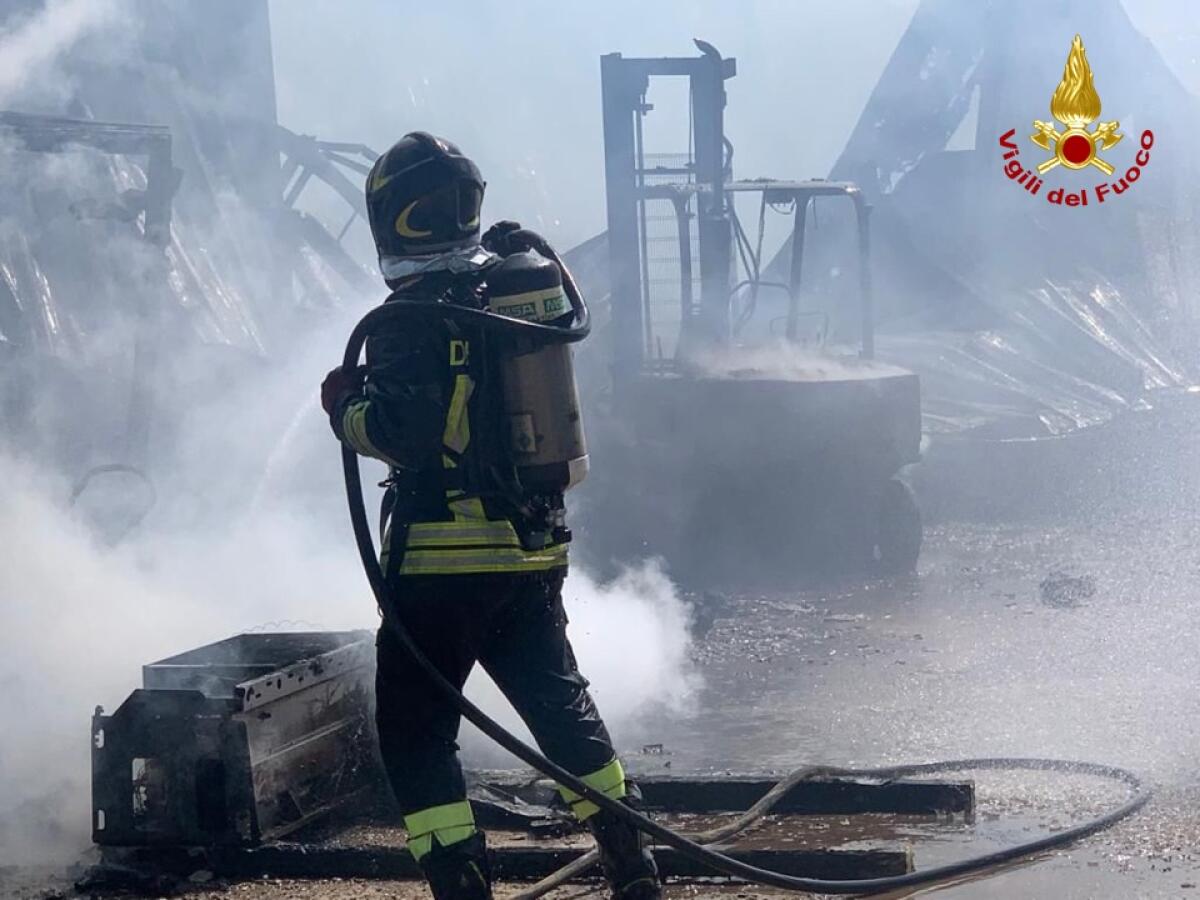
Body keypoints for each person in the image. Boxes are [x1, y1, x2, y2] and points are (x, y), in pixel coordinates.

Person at [321, 131, 660, 900]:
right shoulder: (512, 300)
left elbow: (401, 433)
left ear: (391, 220)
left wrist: (344, 409)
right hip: (531, 552)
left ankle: (462, 884)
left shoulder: (406, 319)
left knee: (415, 735)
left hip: (440, 569)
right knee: (558, 707)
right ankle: (631, 860)